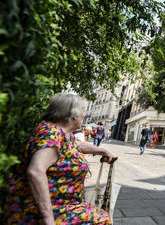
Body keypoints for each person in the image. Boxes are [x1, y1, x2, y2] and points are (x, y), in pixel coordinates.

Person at [2, 93, 114, 224]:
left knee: (101, 216)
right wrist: (48, 218)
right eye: (83, 111)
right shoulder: (51, 133)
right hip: (36, 209)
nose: (84, 114)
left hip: (62, 204)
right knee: (101, 220)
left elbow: (77, 145)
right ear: (73, 115)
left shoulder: (62, 133)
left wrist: (102, 150)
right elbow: (36, 171)